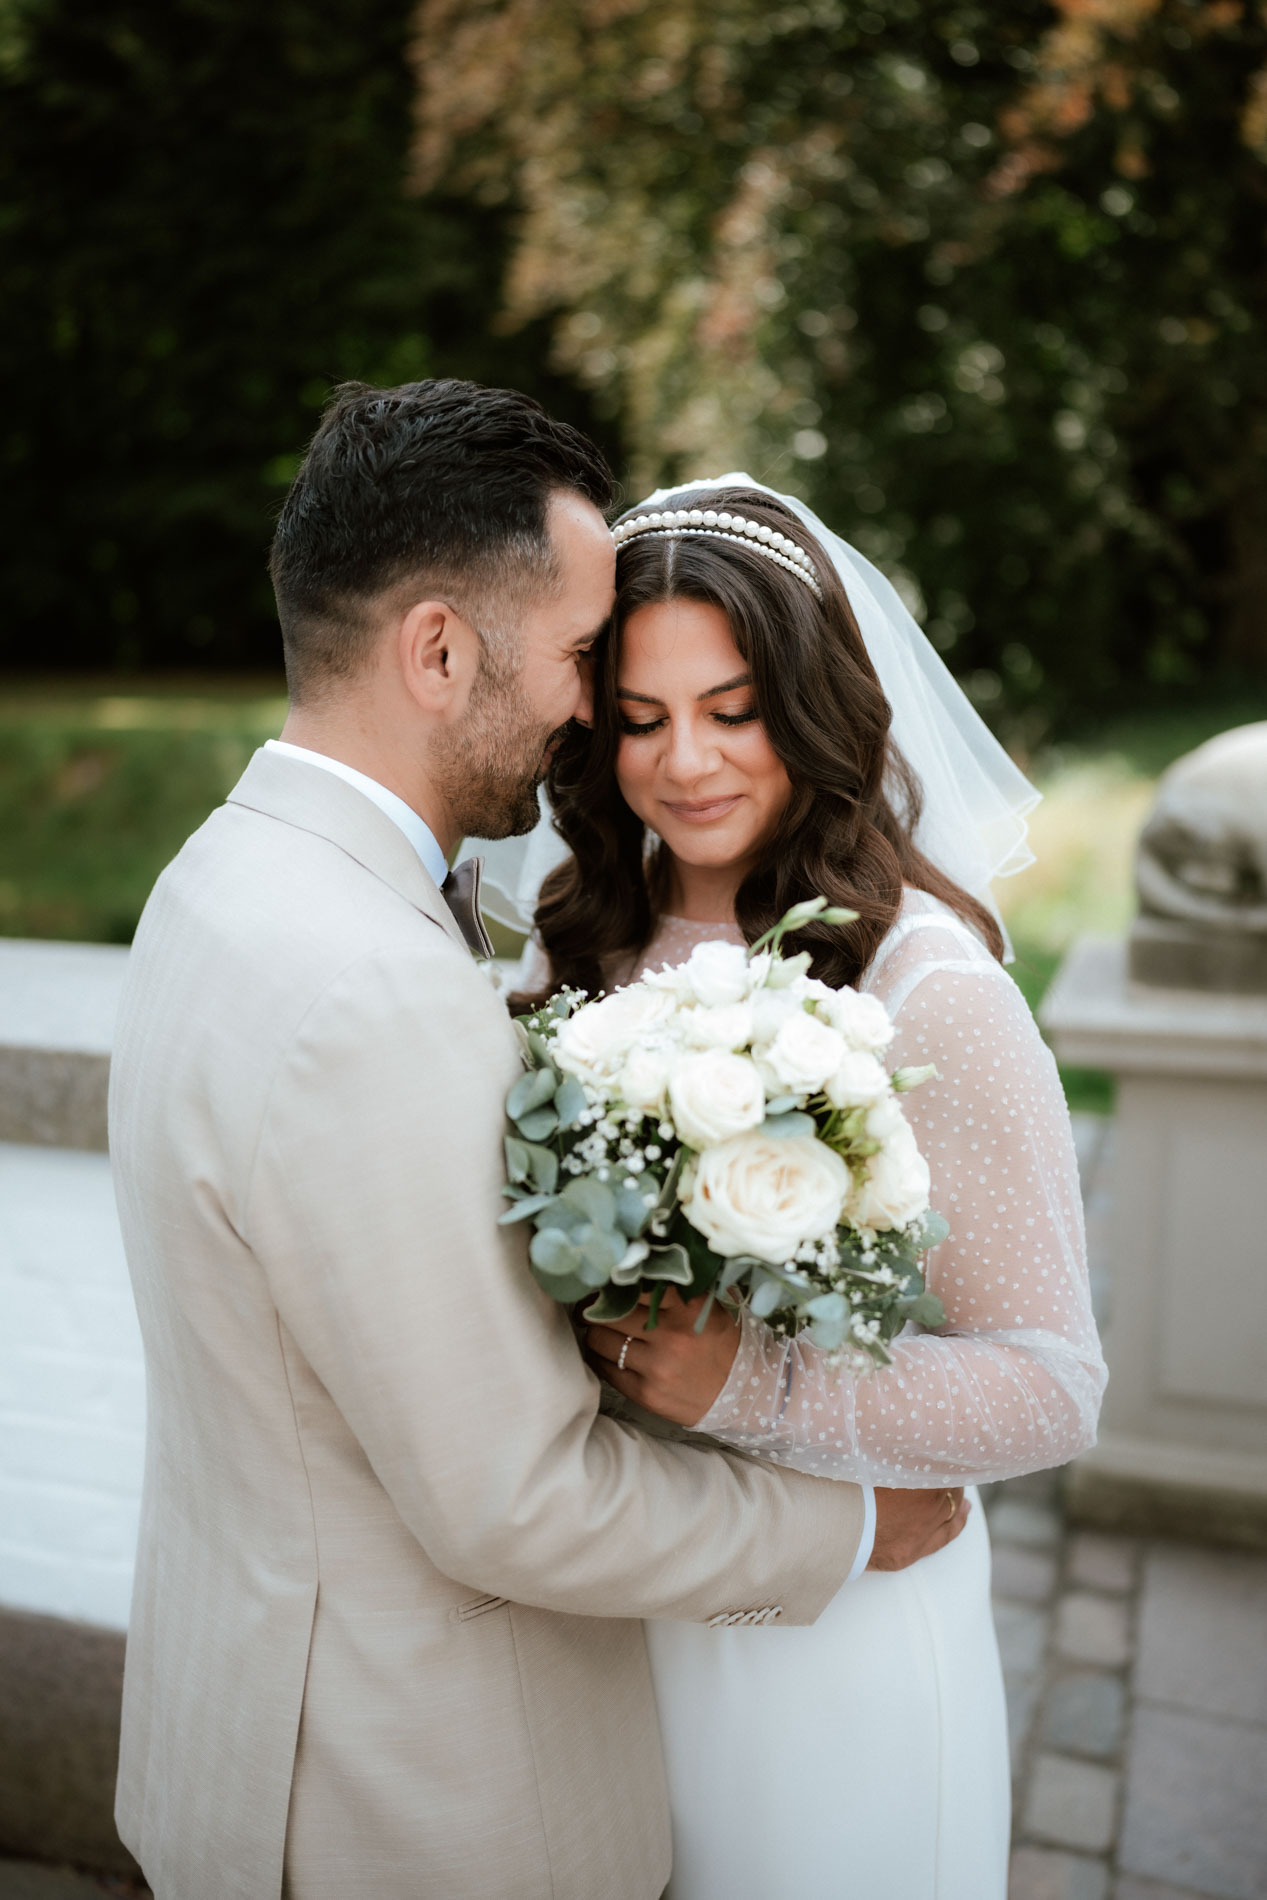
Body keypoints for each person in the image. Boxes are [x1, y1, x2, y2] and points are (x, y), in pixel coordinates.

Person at [108, 390, 965, 1900]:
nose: (594, 710)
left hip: (253, 1732)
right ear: (438, 651)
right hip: (412, 1800)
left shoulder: (213, 879)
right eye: (584, 660)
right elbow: (518, 1501)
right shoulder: (377, 989)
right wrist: (842, 1529)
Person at [501, 476, 1108, 1900]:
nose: (685, 763)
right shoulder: (577, 948)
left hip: (840, 1640)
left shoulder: (930, 987)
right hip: (623, 1605)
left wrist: (749, 1390)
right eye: (642, 719)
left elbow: (1053, 1383)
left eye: (735, 707)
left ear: (816, 701)